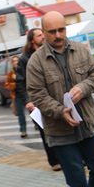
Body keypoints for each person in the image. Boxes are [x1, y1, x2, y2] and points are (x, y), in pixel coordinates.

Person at [26, 11, 94, 187]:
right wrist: (59, 110)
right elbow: (37, 94)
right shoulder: (36, 62)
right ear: (43, 33)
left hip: (87, 124)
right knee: (76, 179)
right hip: (60, 131)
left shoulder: (80, 50)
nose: (57, 35)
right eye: (51, 31)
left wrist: (82, 89)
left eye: (61, 29)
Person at [15, 27, 61, 171]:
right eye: (39, 35)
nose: (43, 37)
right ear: (32, 39)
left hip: (53, 96)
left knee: (63, 127)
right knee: (45, 131)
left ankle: (71, 158)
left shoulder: (49, 51)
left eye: (43, 34)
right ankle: (54, 161)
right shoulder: (24, 59)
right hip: (35, 100)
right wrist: (27, 101)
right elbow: (20, 82)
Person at [7, 55, 28, 138]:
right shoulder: (11, 74)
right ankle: (23, 130)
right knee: (20, 114)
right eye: (14, 61)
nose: (16, 62)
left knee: (32, 111)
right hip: (17, 96)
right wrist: (14, 83)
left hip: (26, 93)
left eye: (17, 61)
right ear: (12, 63)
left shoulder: (24, 70)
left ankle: (37, 124)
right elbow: (7, 85)